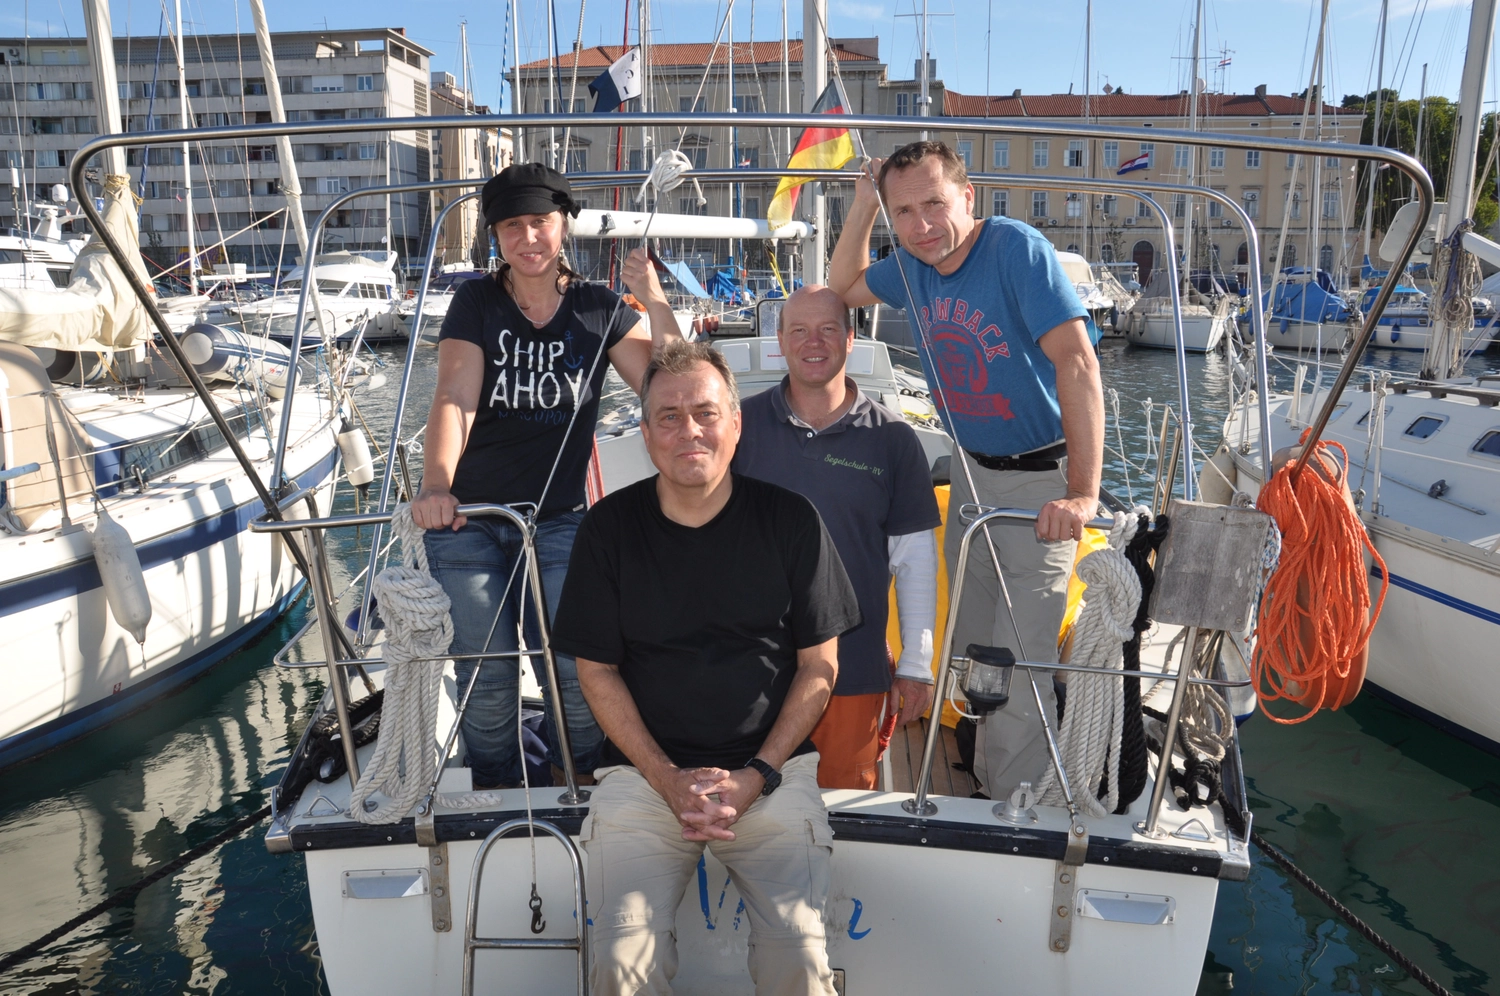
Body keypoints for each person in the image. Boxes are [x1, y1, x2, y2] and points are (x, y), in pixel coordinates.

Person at [551, 340, 860, 996]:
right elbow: (597, 670)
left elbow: (818, 667)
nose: (689, 430)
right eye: (668, 416)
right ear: (645, 432)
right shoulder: (607, 531)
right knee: (619, 958)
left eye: (705, 412)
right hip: (642, 780)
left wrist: (757, 775)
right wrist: (666, 778)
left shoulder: (791, 522)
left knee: (799, 958)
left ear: (736, 422)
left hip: (770, 777)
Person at [828, 140, 1105, 801]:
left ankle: (1017, 802)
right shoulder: (913, 266)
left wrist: (1083, 493)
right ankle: (984, 768)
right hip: (974, 477)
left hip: (1041, 480)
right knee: (976, 643)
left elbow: (1078, 363)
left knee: (1021, 650)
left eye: (934, 204)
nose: (922, 226)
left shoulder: (1014, 249)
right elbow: (842, 287)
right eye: (906, 211)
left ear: (967, 197)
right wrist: (864, 208)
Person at [411, 162, 682, 790]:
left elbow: (665, 388)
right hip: (468, 522)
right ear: (496, 236)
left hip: (559, 522)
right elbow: (454, 397)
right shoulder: (476, 301)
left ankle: (583, 779)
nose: (527, 237)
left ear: (563, 226)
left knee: (578, 668)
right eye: (512, 226)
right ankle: (499, 790)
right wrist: (435, 487)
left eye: (540, 222)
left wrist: (655, 296)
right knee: (486, 675)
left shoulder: (598, 308)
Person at [733, 285, 941, 790]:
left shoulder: (893, 440)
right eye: (799, 330)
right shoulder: (738, 429)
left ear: (851, 339)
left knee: (843, 823)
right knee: (745, 818)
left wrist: (916, 664)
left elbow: (915, 561)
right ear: (778, 340)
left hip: (852, 674)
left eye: (828, 329)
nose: (814, 342)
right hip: (750, 674)